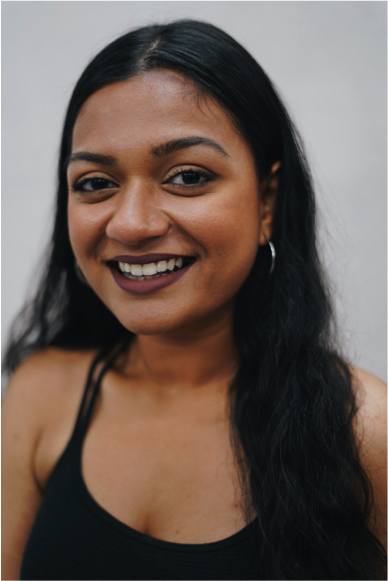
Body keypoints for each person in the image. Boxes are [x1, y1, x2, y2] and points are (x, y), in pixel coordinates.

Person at [1, 19, 386, 581]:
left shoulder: (363, 431)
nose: (130, 225)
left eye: (186, 176)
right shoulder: (41, 397)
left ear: (267, 202)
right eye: (95, 183)